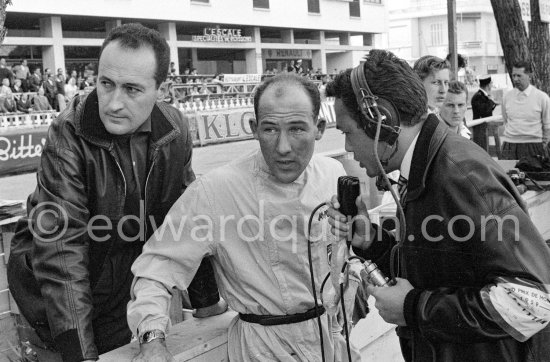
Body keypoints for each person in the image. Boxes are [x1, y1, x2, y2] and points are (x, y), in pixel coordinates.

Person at [7, 23, 222, 362]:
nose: (113, 103)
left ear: (161, 90)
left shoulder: (175, 129)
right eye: (106, 84)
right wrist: (80, 354)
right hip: (56, 304)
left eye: (132, 89)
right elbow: (62, 250)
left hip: (126, 287)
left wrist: (207, 300)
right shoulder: (68, 134)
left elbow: (185, 217)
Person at [326, 49, 550, 362]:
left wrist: (414, 308)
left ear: (382, 120)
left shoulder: (459, 176)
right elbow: (440, 269)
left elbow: (534, 303)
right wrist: (372, 242)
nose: (348, 147)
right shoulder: (428, 167)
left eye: (347, 132)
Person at [127, 73, 361, 361]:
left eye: (297, 129)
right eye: (270, 129)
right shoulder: (216, 191)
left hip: (332, 340)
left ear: (319, 128)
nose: (283, 147)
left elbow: (343, 252)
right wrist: (152, 340)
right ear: (254, 128)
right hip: (263, 349)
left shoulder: (333, 174)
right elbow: (156, 268)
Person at [501, 61, 550, 160]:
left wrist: (542, 146)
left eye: (519, 76)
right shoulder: (507, 97)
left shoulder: (542, 97)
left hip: (534, 146)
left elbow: (547, 126)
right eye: (513, 75)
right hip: (510, 145)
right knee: (509, 174)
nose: (515, 79)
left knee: (532, 175)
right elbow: (506, 120)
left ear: (529, 76)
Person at [414, 55, 470, 138]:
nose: (443, 90)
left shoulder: (434, 117)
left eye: (446, 83)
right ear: (418, 83)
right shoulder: (412, 121)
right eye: (436, 82)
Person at [471, 75, 499, 155]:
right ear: (488, 85)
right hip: (480, 129)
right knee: (481, 152)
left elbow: (488, 109)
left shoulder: (483, 96)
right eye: (491, 83)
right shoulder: (478, 96)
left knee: (486, 150)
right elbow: (485, 111)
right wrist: (491, 101)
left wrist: (492, 102)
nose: (492, 85)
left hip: (484, 128)